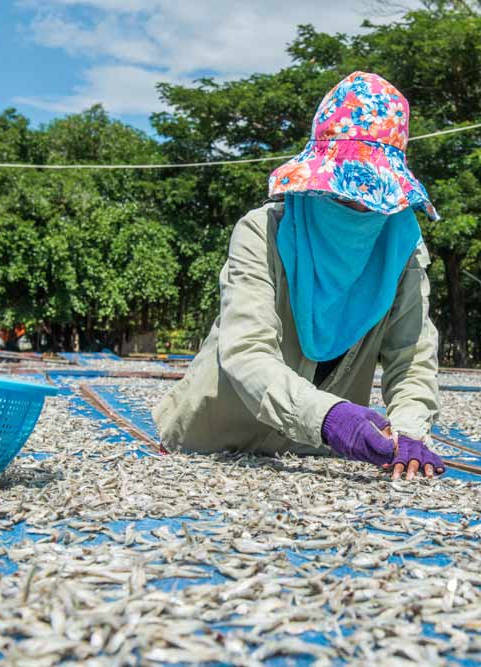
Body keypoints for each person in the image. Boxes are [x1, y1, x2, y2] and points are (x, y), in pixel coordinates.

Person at [153, 71, 445, 480]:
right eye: (343, 195)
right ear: (317, 184)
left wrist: (410, 430)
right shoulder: (263, 232)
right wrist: (331, 418)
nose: (357, 209)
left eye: (370, 200)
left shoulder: (401, 249)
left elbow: (412, 358)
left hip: (313, 458)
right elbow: (247, 352)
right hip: (215, 443)